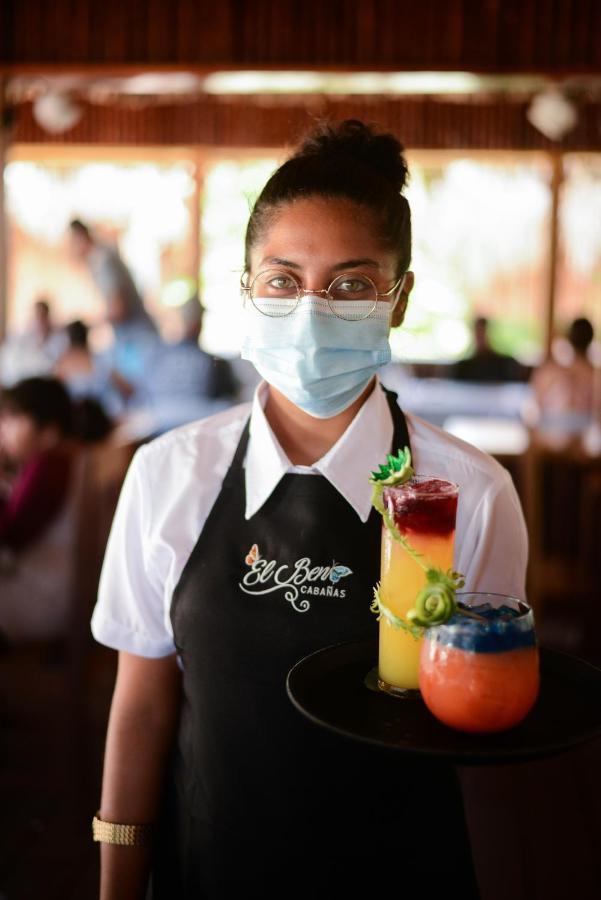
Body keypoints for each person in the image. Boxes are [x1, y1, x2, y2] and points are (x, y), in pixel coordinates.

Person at [90, 120, 528, 899]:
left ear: (399, 300)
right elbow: (143, 709)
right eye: (283, 278)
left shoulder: (470, 491)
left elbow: (489, 744)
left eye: (353, 284)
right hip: (208, 865)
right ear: (247, 288)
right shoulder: (168, 472)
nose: (311, 308)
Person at [0, 377, 76, 641]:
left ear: (49, 432)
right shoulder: (67, 458)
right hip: (60, 591)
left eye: (12, 420)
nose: (3, 430)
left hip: (39, 599)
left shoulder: (48, 464)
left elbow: (10, 536)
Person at [67, 219, 159, 391]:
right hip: (134, 343)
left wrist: (91, 324)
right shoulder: (101, 259)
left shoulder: (103, 261)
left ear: (80, 237)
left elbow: (118, 309)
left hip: (138, 345)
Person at [144, 295, 239, 434]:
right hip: (202, 430)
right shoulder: (214, 363)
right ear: (197, 324)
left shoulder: (155, 356)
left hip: (159, 429)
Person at [530, 317, 599, 428]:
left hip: (551, 435)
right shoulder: (594, 375)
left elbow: (537, 405)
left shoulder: (550, 372)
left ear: (569, 338)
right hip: (582, 435)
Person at [0, 297, 68, 386]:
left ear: (48, 316)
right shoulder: (22, 338)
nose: (39, 320)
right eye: (37, 316)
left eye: (42, 316)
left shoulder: (60, 338)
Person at [452, 315, 524, 382]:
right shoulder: (464, 367)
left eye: (483, 332)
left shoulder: (504, 365)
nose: (481, 337)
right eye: (478, 332)